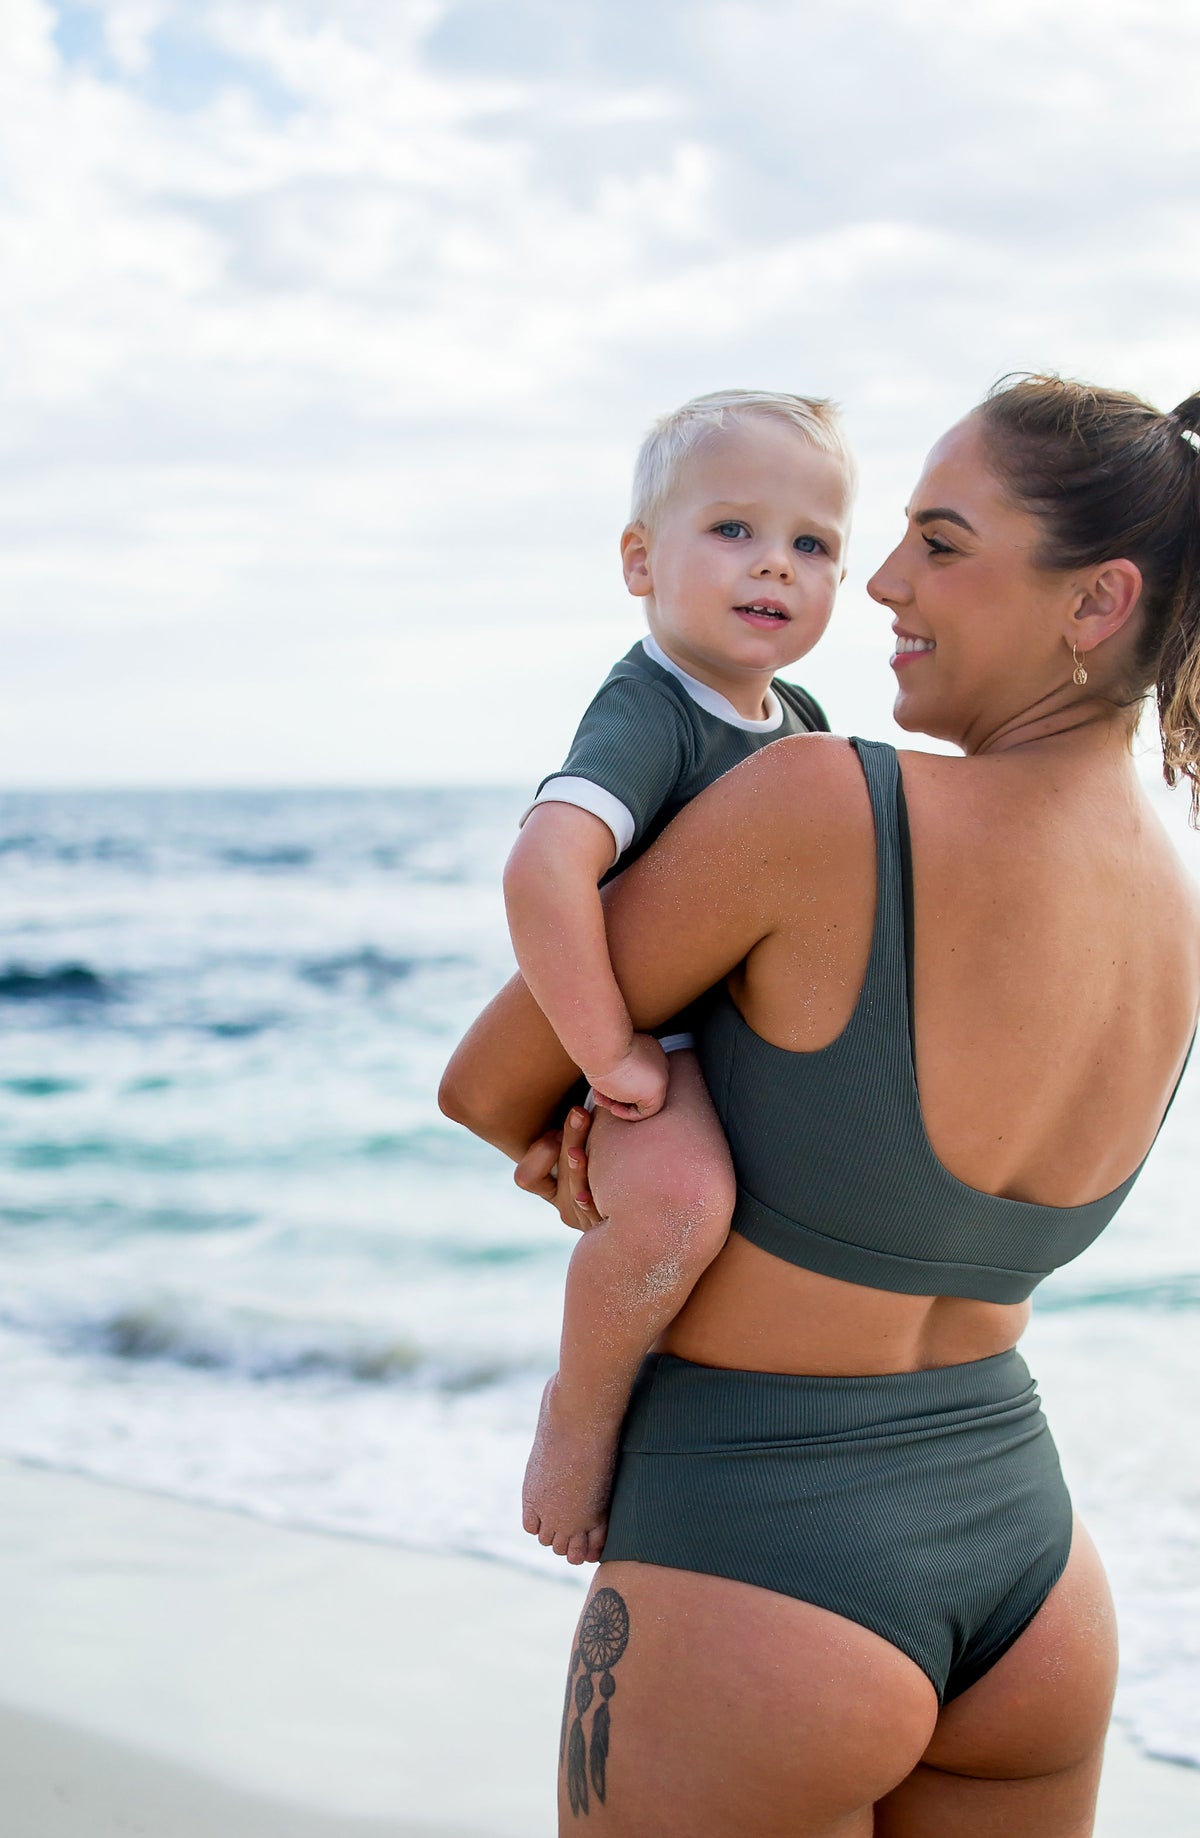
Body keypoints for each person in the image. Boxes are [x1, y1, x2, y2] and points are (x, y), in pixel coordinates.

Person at [440, 374, 1200, 1837]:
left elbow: (490, 1080)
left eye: (943, 542)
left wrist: (623, 1126)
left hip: (762, 1551)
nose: (886, 585)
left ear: (1095, 601)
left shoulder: (822, 800)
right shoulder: (1176, 908)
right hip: (1034, 1576)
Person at [502, 390, 856, 1561]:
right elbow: (545, 865)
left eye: (812, 545)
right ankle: (577, 1418)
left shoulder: (796, 715)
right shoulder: (650, 707)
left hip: (757, 1039)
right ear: (640, 561)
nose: (776, 566)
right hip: (673, 1049)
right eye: (735, 531)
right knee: (681, 1206)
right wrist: (609, 1052)